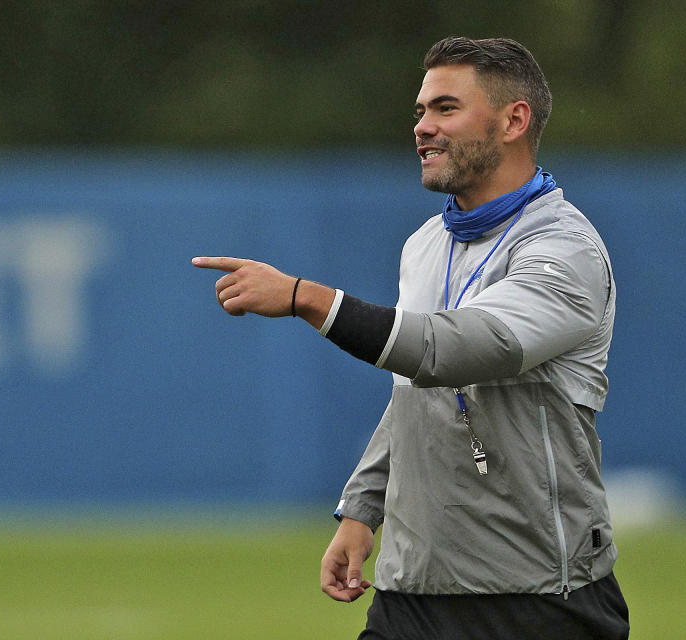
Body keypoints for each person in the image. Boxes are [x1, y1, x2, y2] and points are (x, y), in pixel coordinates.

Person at [193, 36, 629, 640]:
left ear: (513, 120)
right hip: (414, 592)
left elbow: (450, 351)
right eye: (421, 111)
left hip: (535, 598)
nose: (422, 127)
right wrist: (363, 507)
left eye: (445, 109)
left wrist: (304, 298)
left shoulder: (564, 250)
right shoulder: (426, 243)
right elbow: (413, 390)